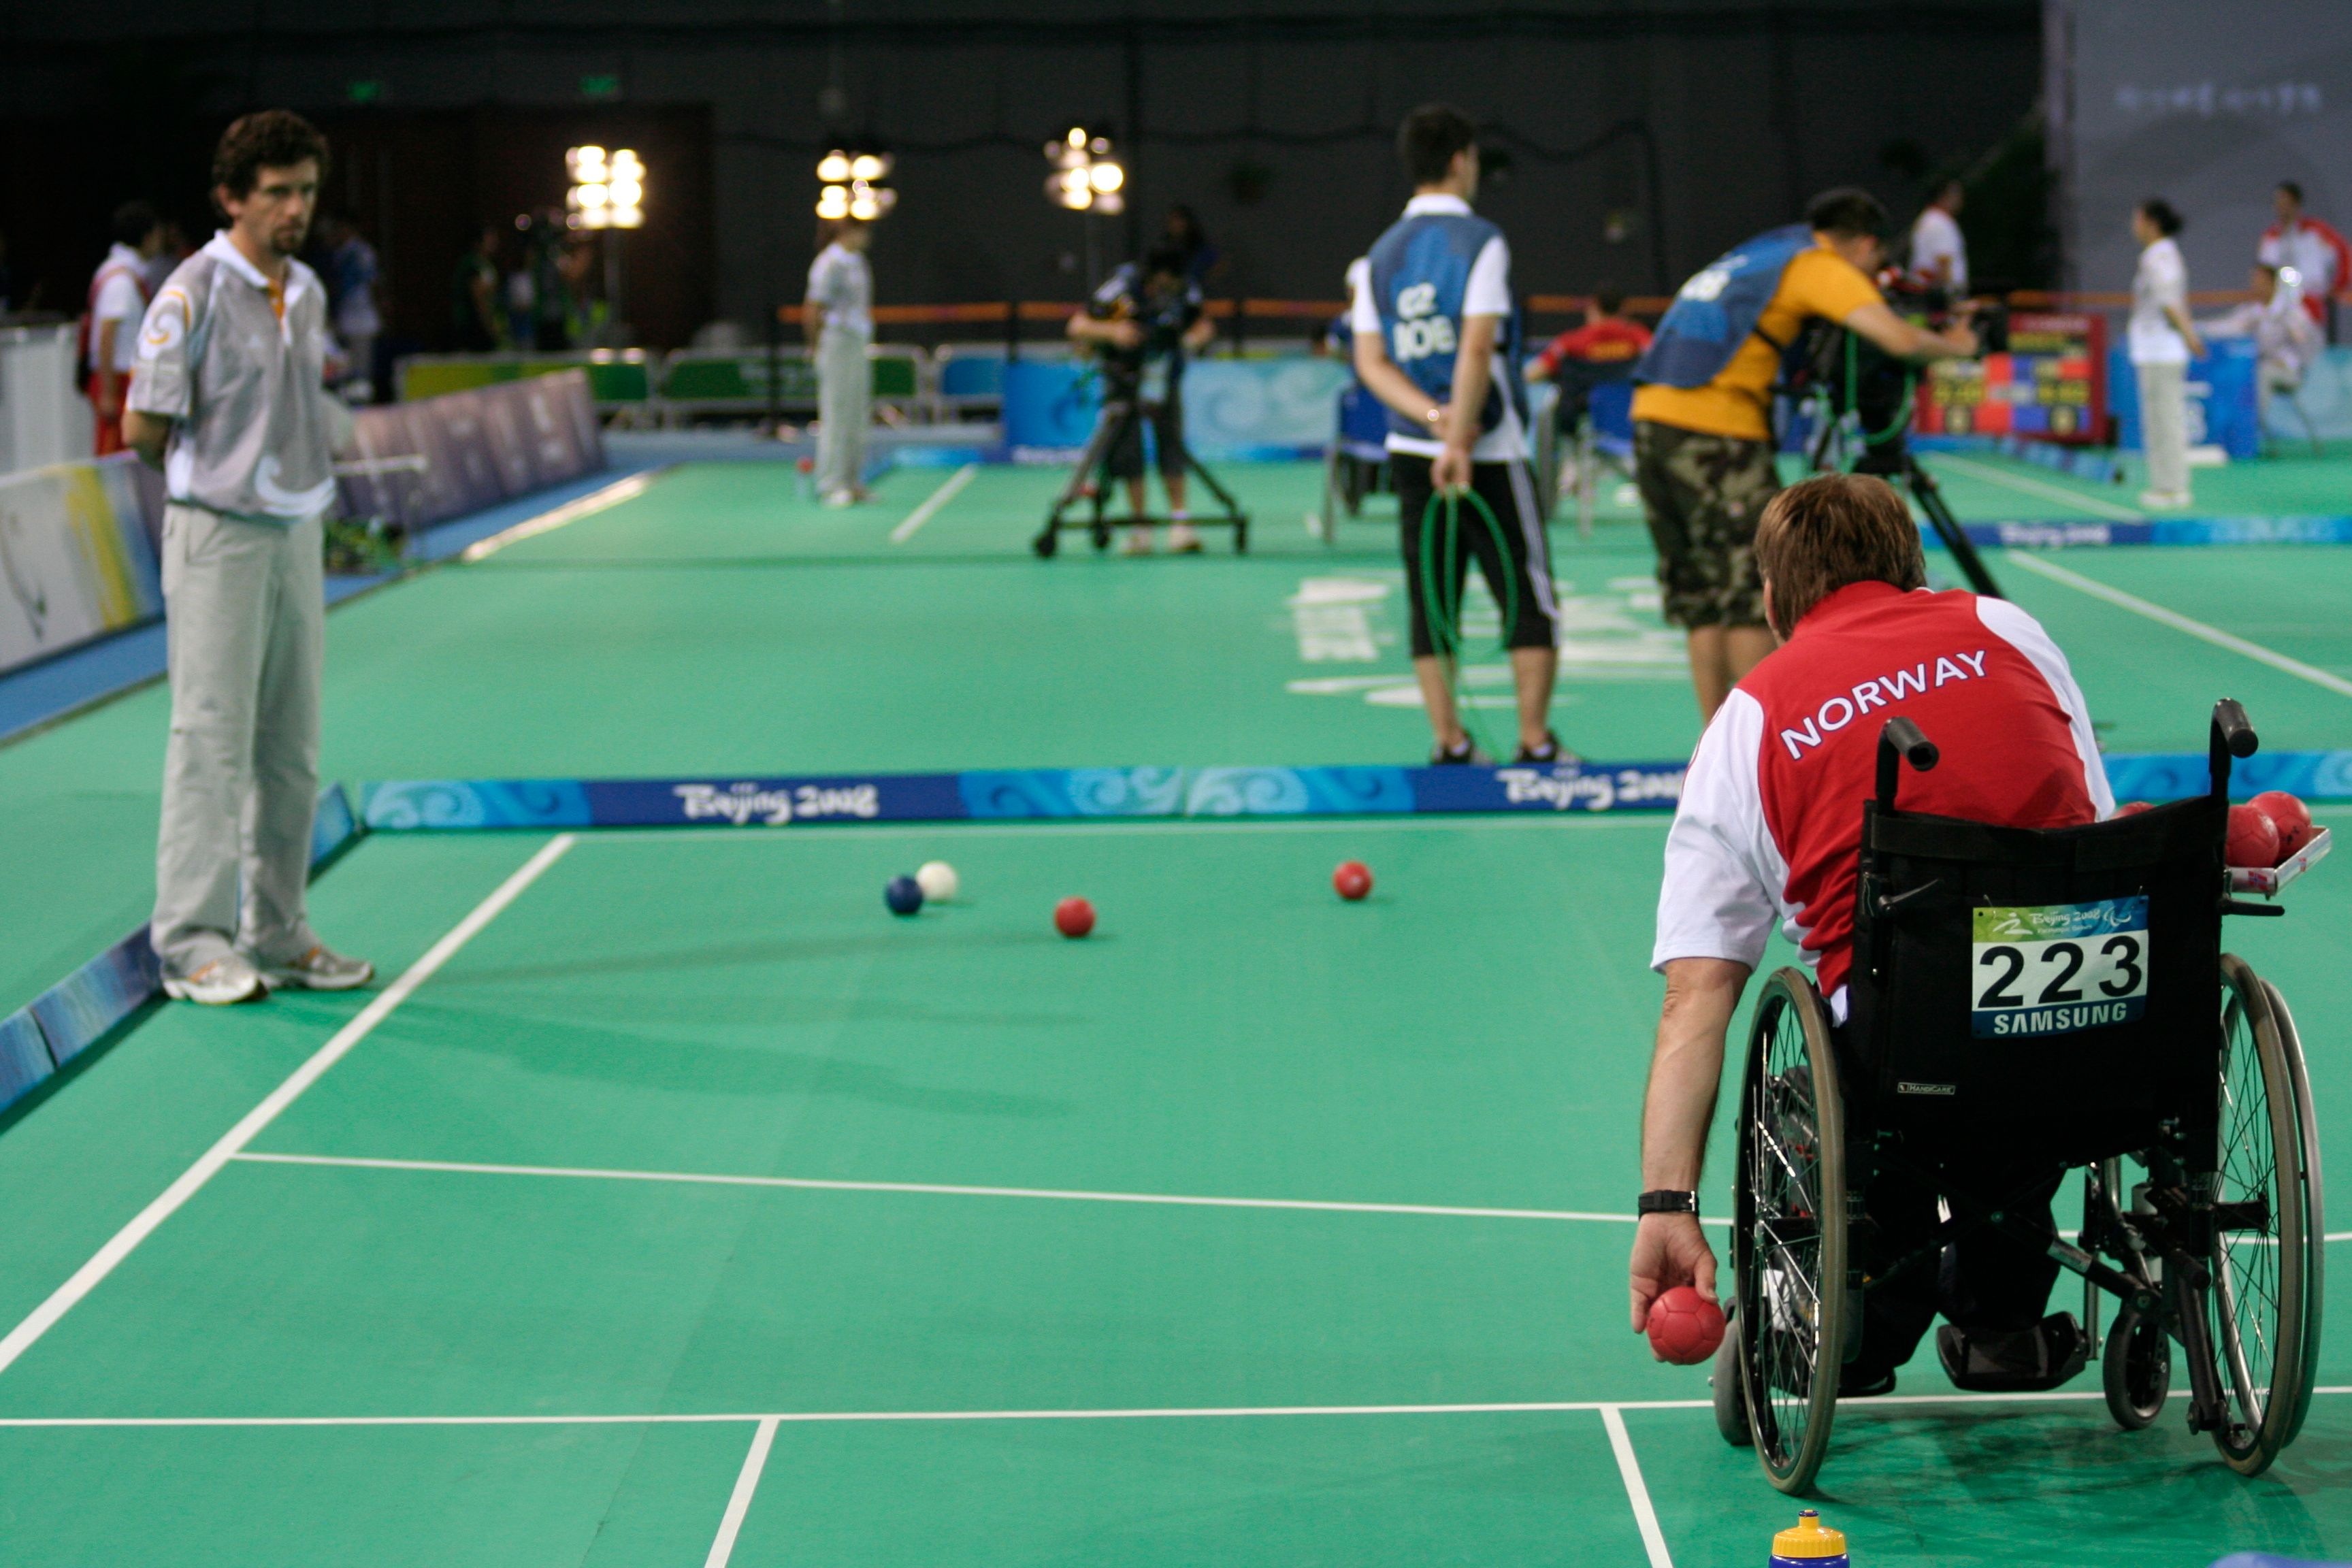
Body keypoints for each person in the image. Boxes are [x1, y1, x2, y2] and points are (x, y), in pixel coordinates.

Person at [1629, 471, 2111, 1393]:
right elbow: (2095, 820)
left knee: (1881, 1065)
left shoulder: (1747, 722)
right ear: (1915, 570)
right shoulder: (2008, 630)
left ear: (1771, 601)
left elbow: (1697, 999)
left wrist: (1666, 1204)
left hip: (1911, 1050)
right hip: (2096, 1014)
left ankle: (1859, 1330)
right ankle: (2000, 1319)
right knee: (2022, 1040)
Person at [120, 110, 374, 1006]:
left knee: (291, 748)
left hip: (297, 532)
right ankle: (192, 943)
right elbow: (142, 428)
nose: (295, 209)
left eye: (306, 190)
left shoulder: (304, 288)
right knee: (210, 738)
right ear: (232, 197)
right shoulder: (189, 291)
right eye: (277, 193)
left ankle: (278, 931)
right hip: (218, 535)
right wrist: (218, 482)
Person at [1631, 188, 1978, 722]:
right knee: (1751, 593)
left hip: (1651, 418)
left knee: (1699, 598)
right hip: (1714, 431)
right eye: (1877, 266)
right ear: (1865, 245)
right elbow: (1896, 339)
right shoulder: (1819, 264)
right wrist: (1958, 345)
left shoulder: (1762, 251)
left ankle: (1716, 747)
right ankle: (1763, 749)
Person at [1352, 103, 1563, 765]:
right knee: (1528, 596)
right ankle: (1533, 744)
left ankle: (1450, 745)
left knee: (1431, 597)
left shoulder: (1377, 256)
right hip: (1488, 450)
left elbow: (1371, 362)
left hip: (1412, 449)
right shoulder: (1481, 242)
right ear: (1460, 161)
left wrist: (1432, 422)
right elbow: (1477, 350)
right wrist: (1461, 440)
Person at [1067, 243, 1216, 552]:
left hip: (1162, 381)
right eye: (1170, 281)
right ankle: (1140, 528)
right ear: (1157, 276)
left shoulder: (1186, 289)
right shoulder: (1120, 287)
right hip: (1124, 379)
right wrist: (1113, 332)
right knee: (1128, 454)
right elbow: (1078, 326)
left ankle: (1180, 525)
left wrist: (1191, 340)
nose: (1174, 286)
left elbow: (1203, 325)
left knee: (1172, 448)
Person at [2129, 199, 2204, 511]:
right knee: (2157, 421)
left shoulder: (2159, 256)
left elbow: (2169, 301)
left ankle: (2174, 488)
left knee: (2166, 421)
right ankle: (2164, 485)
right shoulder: (2158, 255)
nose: (2134, 224)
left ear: (2151, 223)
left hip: (2161, 350)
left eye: (2138, 218)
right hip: (2153, 349)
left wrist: (2189, 335)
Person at [2200, 263, 2323, 453]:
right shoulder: (2253, 313)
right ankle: (2223, 431)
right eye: (2254, 281)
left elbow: (2311, 343)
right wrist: (2194, 329)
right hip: (2257, 369)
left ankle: (2250, 432)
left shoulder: (2291, 312)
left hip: (2288, 372)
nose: (2255, 285)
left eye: (2260, 281)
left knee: (2263, 374)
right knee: (2231, 374)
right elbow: (2227, 326)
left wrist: (2293, 362)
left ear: (2273, 284)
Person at [86, 200, 169, 457]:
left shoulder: (125, 273)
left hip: (121, 379)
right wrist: (109, 394)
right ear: (147, 236)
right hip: (117, 381)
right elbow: (107, 334)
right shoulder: (121, 280)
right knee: (115, 455)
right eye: (158, 234)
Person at [806, 217, 875, 507]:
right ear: (848, 231)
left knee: (857, 413)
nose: (867, 237)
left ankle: (852, 481)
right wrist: (815, 347)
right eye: (862, 231)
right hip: (835, 342)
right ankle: (830, 484)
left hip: (858, 340)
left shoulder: (857, 261)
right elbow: (813, 307)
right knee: (835, 413)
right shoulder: (828, 263)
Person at [1525, 284, 1653, 432]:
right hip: (1631, 417)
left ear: (1594, 307)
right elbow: (1658, 364)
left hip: (1583, 419)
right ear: (1623, 309)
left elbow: (1532, 374)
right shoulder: (1640, 337)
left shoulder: (1571, 342)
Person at [2257, 182, 2348, 333]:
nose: (2281, 208)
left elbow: (2345, 255)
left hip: (2312, 306)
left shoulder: (2317, 232)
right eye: (2278, 203)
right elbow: (2262, 277)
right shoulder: (2269, 238)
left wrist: (2337, 288)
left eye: (2286, 203)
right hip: (2278, 309)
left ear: (2296, 205)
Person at [319, 213, 382, 402]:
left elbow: (374, 285)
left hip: (362, 320)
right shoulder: (337, 254)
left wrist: (380, 312)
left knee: (361, 375)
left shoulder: (362, 253)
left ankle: (364, 414)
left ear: (350, 229)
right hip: (341, 320)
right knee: (340, 370)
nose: (337, 233)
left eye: (340, 229)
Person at [451, 223, 507, 351]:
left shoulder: (487, 264)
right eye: (490, 238)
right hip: (474, 327)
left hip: (485, 324)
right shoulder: (471, 264)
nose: (495, 242)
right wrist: (490, 326)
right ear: (478, 241)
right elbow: (479, 297)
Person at [1907, 179, 1968, 296]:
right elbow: (1943, 263)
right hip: (1939, 298)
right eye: (1956, 194)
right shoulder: (1940, 223)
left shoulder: (1927, 219)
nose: (1960, 199)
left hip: (1923, 292)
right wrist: (1950, 298)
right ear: (1944, 196)